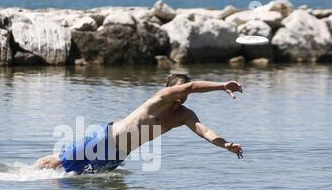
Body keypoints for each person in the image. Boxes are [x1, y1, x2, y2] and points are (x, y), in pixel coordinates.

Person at [34, 74, 244, 174]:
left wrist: (224, 144)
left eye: (185, 91)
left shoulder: (184, 115)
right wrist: (221, 85)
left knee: (71, 178)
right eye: (180, 89)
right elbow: (192, 86)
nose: (183, 93)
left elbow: (204, 131)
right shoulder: (161, 98)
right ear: (170, 90)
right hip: (104, 138)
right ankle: (27, 174)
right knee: (59, 164)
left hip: (118, 155)